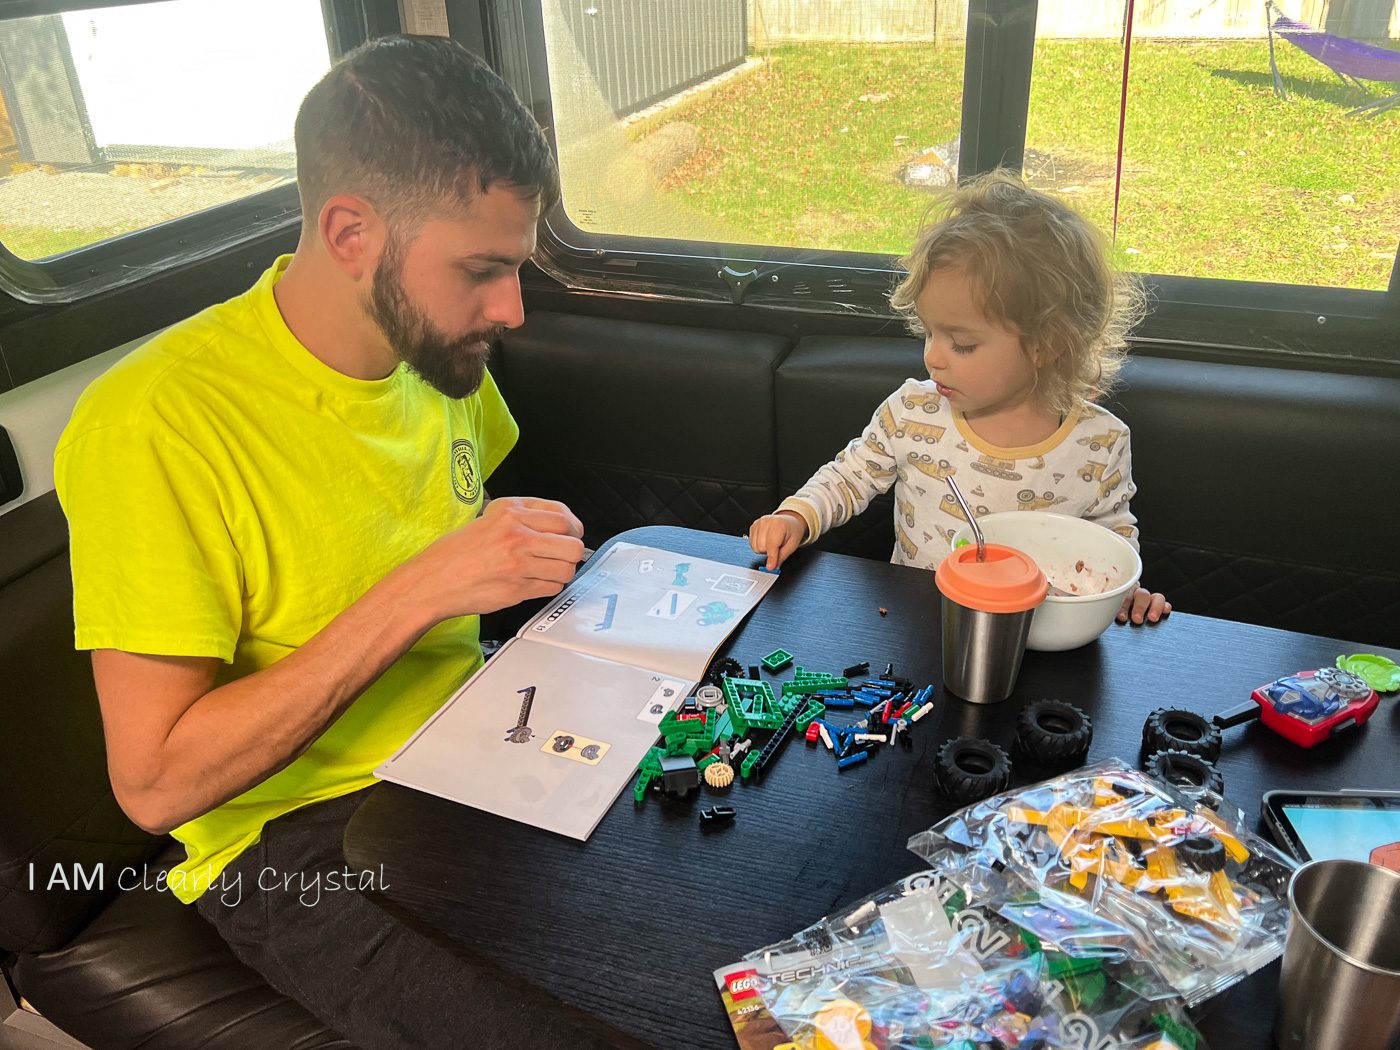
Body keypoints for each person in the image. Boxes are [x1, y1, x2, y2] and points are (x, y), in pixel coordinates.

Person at [54, 35, 621, 1049]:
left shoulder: (429, 355)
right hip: (297, 838)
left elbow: (452, 529)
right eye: (482, 270)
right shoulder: (153, 425)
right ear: (351, 231)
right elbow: (155, 784)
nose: (513, 309)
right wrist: (422, 589)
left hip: (480, 737)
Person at [749, 170, 1171, 625]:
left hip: (1040, 632)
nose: (933, 356)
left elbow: (1111, 534)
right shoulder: (913, 412)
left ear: (1046, 345)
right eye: (930, 332)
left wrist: (1126, 590)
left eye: (962, 344)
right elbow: (849, 476)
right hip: (922, 623)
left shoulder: (1100, 442)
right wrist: (796, 516)